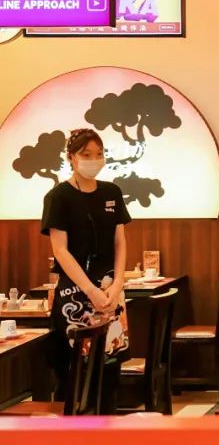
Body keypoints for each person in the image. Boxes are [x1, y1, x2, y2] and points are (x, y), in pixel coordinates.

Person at [40, 128, 130, 413]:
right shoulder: (58, 197)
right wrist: (90, 290)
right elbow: (60, 251)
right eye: (86, 154)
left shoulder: (112, 192)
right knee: (74, 373)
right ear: (71, 157)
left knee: (111, 369)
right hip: (75, 293)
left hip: (111, 292)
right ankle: (74, 431)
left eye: (99, 154)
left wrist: (117, 284)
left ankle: (109, 428)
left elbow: (120, 242)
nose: (94, 159)